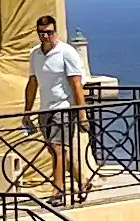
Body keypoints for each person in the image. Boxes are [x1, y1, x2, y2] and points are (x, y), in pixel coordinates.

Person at [24, 14, 97, 200]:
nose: (45, 36)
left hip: (64, 108)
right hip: (45, 109)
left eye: (49, 32)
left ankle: (58, 191)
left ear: (55, 32)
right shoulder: (35, 54)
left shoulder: (67, 52)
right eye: (41, 33)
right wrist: (27, 112)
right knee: (55, 151)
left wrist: (82, 114)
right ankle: (83, 182)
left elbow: (76, 84)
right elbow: (32, 83)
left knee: (58, 149)